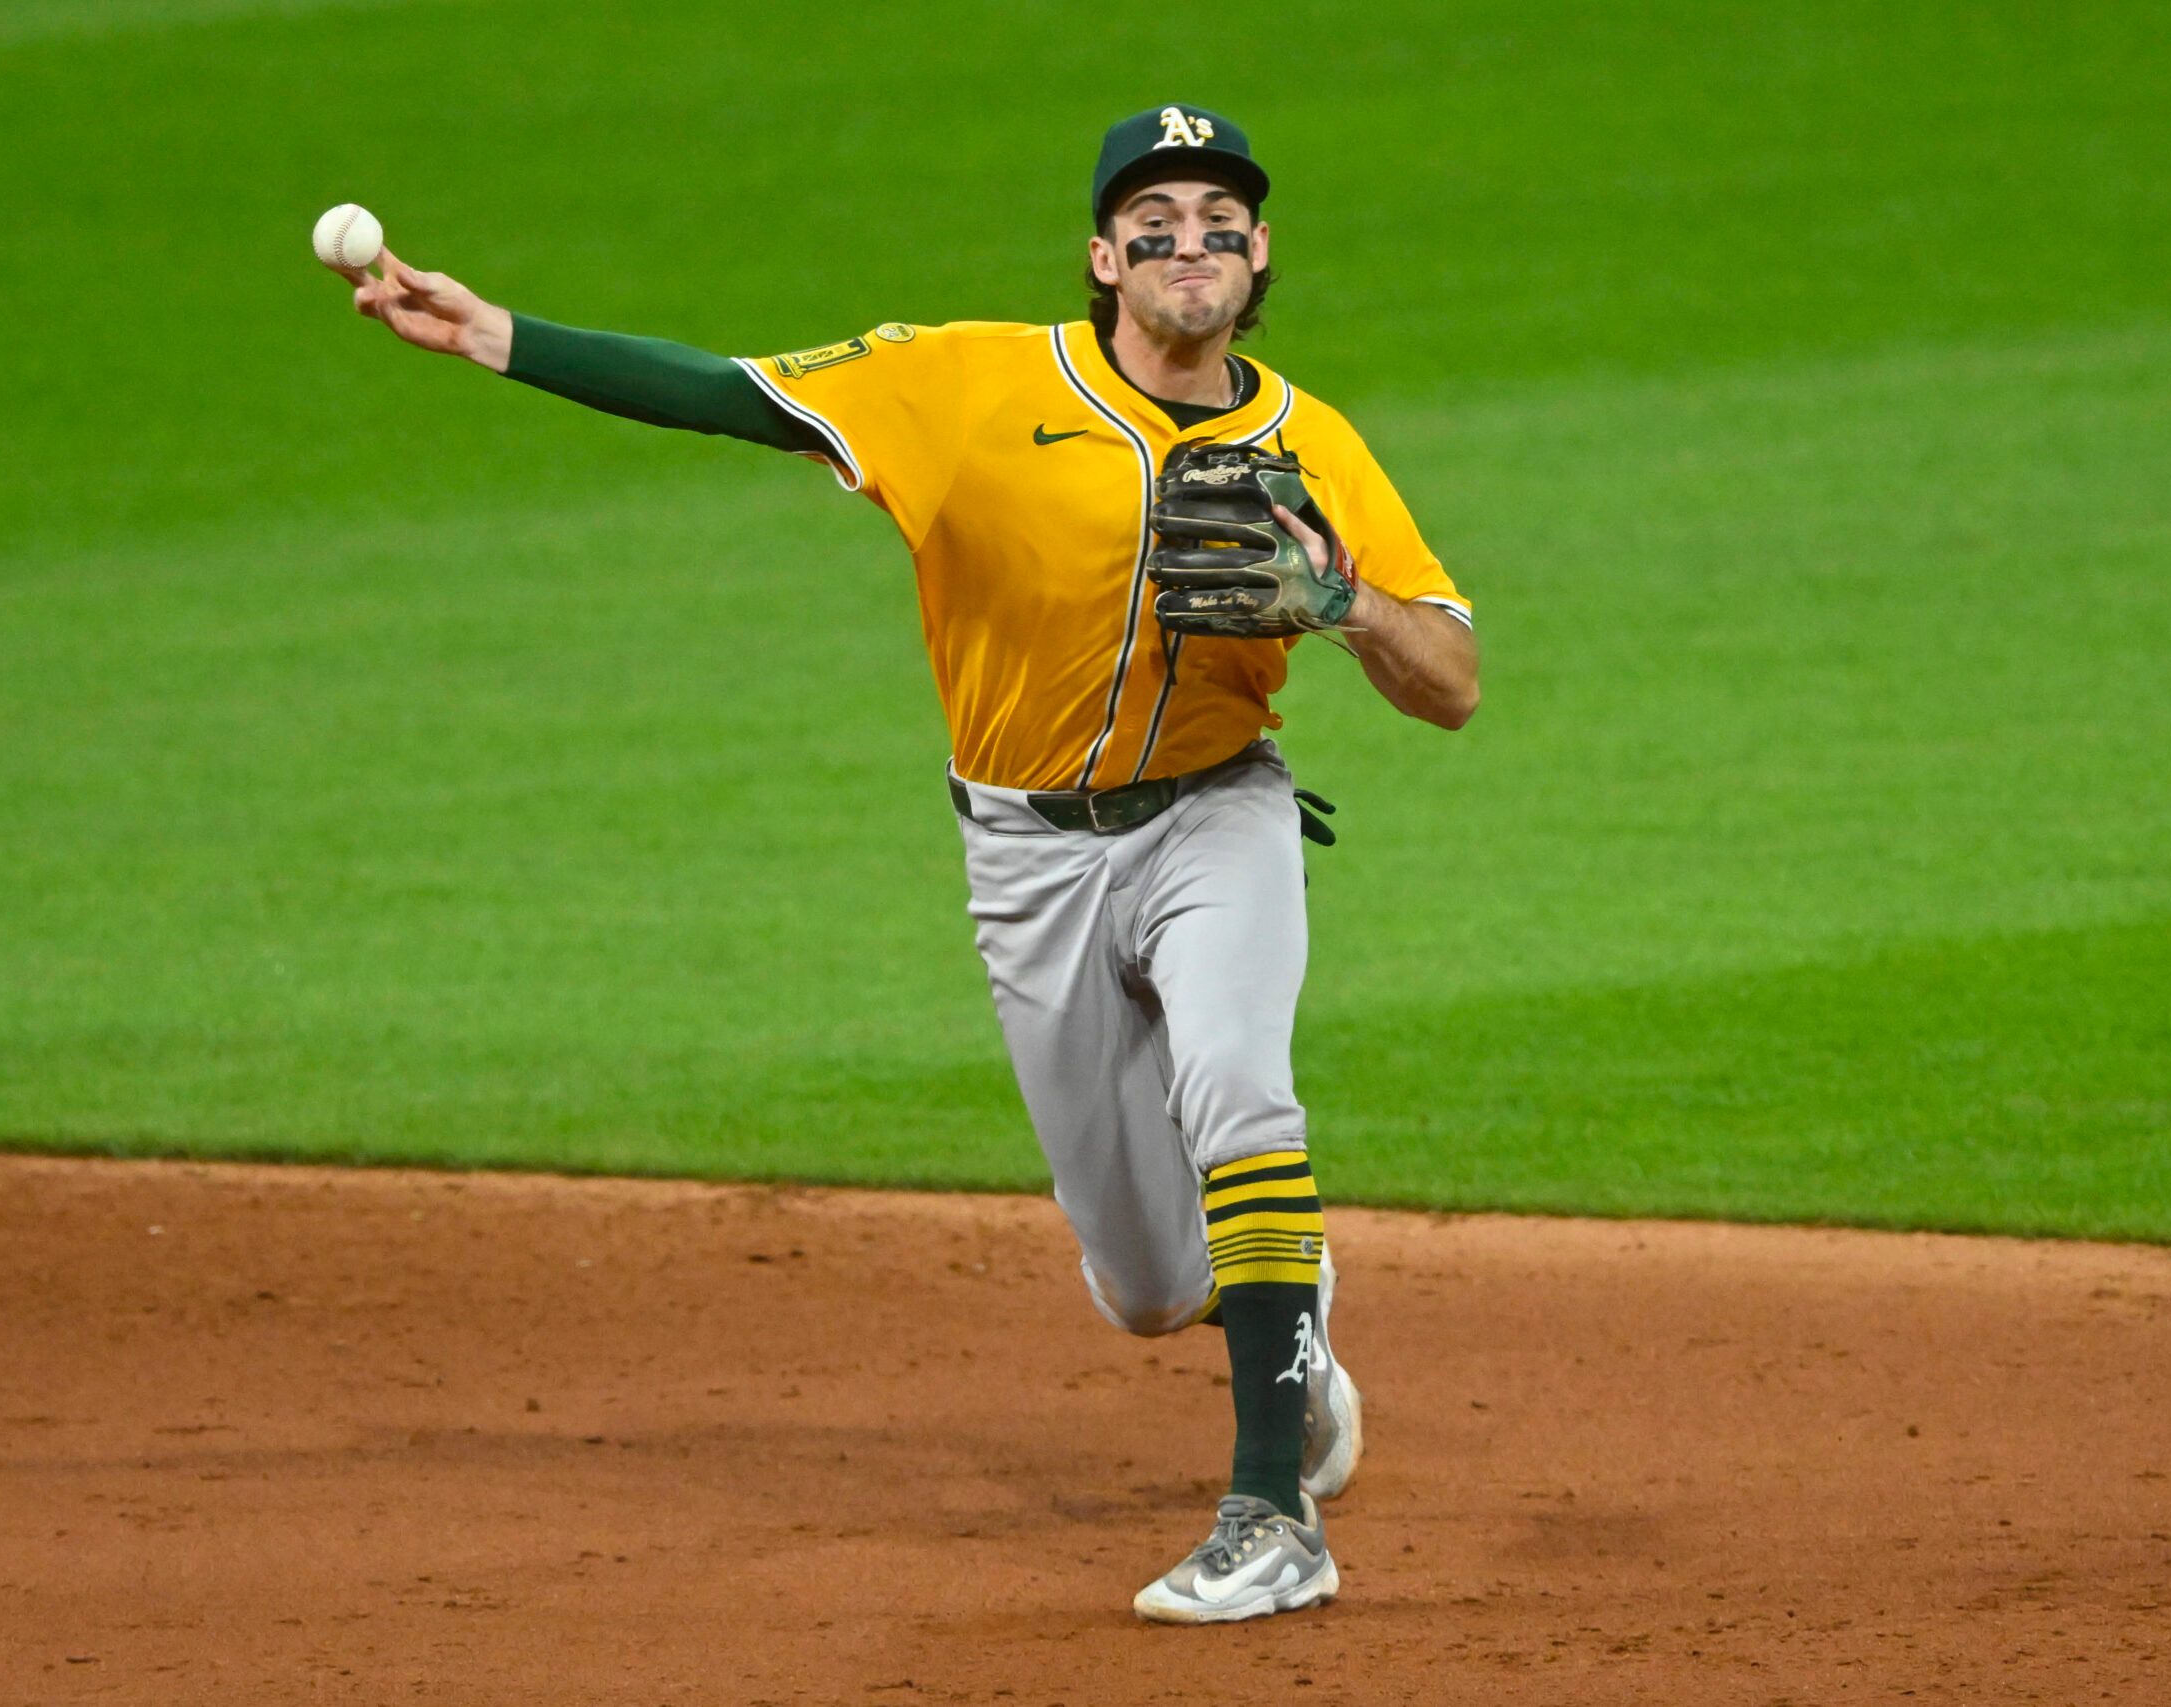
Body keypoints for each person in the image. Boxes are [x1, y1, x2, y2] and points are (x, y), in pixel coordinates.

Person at [326, 102, 1478, 1624]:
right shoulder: (967, 383)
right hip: (1028, 856)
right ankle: (1291, 1319)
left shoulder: (1312, 444)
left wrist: (1341, 604)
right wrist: (498, 337)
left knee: (1239, 1088)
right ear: (1104, 256)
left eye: (1219, 220)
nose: (1187, 241)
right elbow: (731, 395)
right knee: (1147, 1287)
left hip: (1223, 813)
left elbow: (1450, 681)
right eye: (1154, 220)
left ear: (1259, 254)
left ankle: (1272, 1516)